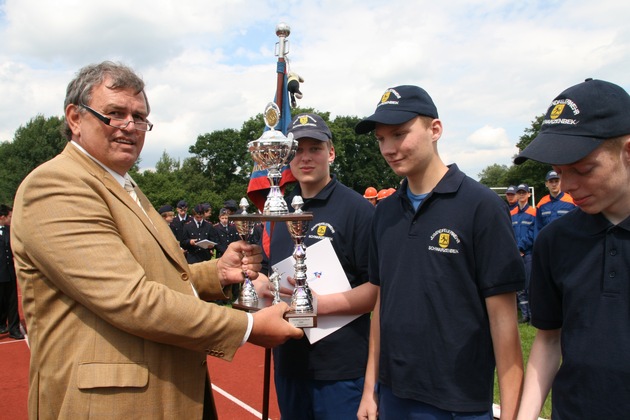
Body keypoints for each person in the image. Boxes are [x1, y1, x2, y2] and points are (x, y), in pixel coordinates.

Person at [10, 61, 303, 419]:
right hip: (108, 406)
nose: (130, 127)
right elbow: (128, 298)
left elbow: (150, 274)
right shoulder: (56, 185)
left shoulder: (122, 183)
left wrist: (217, 274)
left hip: (162, 394)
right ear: (75, 118)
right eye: (114, 114)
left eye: (139, 117)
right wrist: (249, 326)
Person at [354, 85, 525, 419]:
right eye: (381, 139)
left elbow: (505, 326)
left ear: (435, 130)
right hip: (394, 395)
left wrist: (511, 414)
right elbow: (381, 305)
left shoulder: (482, 206)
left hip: (459, 402)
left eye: (400, 134)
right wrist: (370, 389)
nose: (389, 148)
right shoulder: (384, 214)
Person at [514, 78, 630, 419]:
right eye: (560, 173)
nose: (567, 186)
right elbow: (548, 341)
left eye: (582, 169)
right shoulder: (555, 240)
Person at [254, 113, 377, 419]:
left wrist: (319, 305)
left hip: (341, 368)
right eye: (297, 150)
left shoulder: (358, 210)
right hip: (290, 362)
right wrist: (259, 286)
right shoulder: (279, 213)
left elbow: (378, 289)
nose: (305, 158)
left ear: (331, 153)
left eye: (315, 148)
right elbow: (274, 277)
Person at [511, 183, 536, 324]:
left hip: (528, 254)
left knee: (530, 285)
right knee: (519, 287)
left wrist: (520, 247)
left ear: (528, 194)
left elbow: (533, 233)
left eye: (523, 192)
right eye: (519, 192)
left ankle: (533, 315)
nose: (521, 195)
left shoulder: (534, 212)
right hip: (516, 254)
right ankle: (525, 314)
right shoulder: (512, 214)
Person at [0, 204, 23, 340]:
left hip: (9, 273)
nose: (11, 218)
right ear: (2, 217)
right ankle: (2, 323)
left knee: (12, 302)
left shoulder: (10, 231)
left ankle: (14, 329)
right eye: (9, 216)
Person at [535, 170, 576, 235]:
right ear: (546, 184)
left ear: (561, 182)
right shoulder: (541, 204)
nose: (554, 184)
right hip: (547, 243)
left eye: (556, 181)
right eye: (551, 182)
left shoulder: (572, 201)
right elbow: (537, 228)